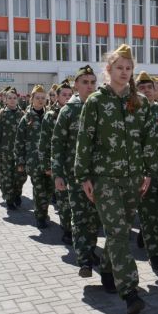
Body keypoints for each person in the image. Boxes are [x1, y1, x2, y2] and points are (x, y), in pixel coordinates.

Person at [75, 44, 157, 314]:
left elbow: (148, 140)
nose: (124, 72)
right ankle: (130, 291)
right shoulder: (96, 102)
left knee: (118, 230)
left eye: (128, 68)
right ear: (108, 70)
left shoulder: (140, 103)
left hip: (133, 178)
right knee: (118, 232)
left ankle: (109, 271)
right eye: (119, 67)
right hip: (105, 177)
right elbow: (84, 140)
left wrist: (147, 171)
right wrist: (83, 175)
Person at [52, 66, 101, 278]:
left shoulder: (101, 107)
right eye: (85, 82)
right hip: (75, 175)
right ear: (76, 86)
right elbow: (57, 144)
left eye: (92, 82)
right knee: (80, 217)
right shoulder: (68, 111)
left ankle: (90, 250)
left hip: (100, 175)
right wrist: (58, 174)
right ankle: (84, 260)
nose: (89, 86)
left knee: (95, 219)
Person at [135, 70, 158, 271]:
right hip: (142, 173)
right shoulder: (130, 112)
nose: (147, 91)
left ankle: (146, 230)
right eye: (142, 87)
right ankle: (155, 253)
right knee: (149, 212)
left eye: (150, 88)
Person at [40, 80, 74, 243]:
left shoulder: (77, 111)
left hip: (76, 165)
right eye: (64, 95)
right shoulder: (50, 115)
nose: (67, 98)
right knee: (63, 201)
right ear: (57, 97)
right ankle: (67, 230)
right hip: (60, 165)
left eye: (70, 95)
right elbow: (45, 142)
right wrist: (48, 166)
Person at [15, 85, 52, 228]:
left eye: (43, 98)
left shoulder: (50, 116)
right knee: (39, 189)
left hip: (49, 160)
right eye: (38, 98)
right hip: (34, 161)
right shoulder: (26, 118)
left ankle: (44, 211)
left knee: (49, 189)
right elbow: (19, 141)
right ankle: (40, 216)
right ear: (32, 99)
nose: (41, 100)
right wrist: (20, 161)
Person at [0, 88, 26, 210]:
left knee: (20, 176)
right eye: (9, 98)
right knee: (7, 176)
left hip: (19, 153)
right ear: (5, 100)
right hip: (5, 153)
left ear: (18, 100)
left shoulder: (23, 114)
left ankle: (17, 193)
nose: (12, 100)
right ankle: (9, 198)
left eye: (14, 98)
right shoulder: (1, 114)